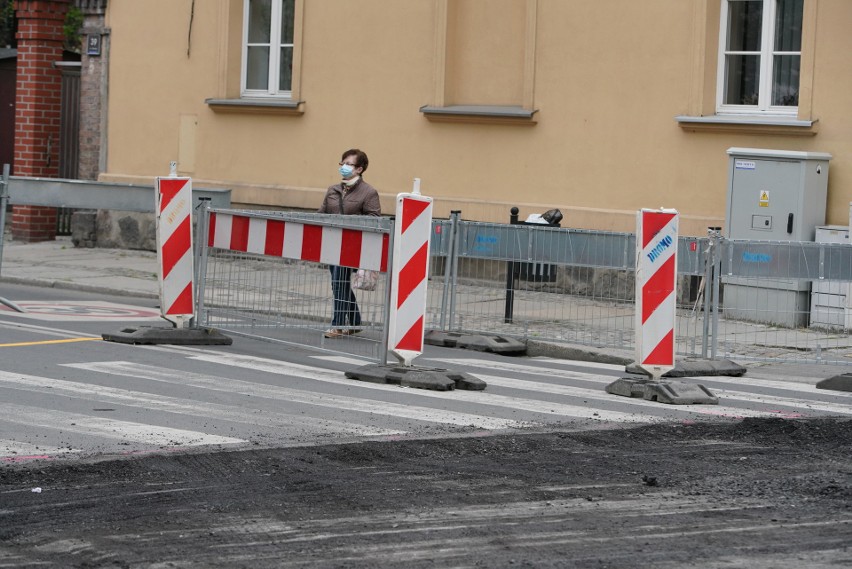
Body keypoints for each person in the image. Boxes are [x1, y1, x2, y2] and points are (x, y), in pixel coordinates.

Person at [318, 149, 381, 338]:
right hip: (332, 242)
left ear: (360, 169)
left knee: (338, 282)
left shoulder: (368, 192)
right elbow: (321, 213)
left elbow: (374, 218)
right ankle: (354, 322)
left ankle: (337, 325)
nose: (344, 167)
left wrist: (351, 222)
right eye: (342, 163)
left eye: (349, 164)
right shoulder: (333, 190)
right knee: (340, 283)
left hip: (352, 244)